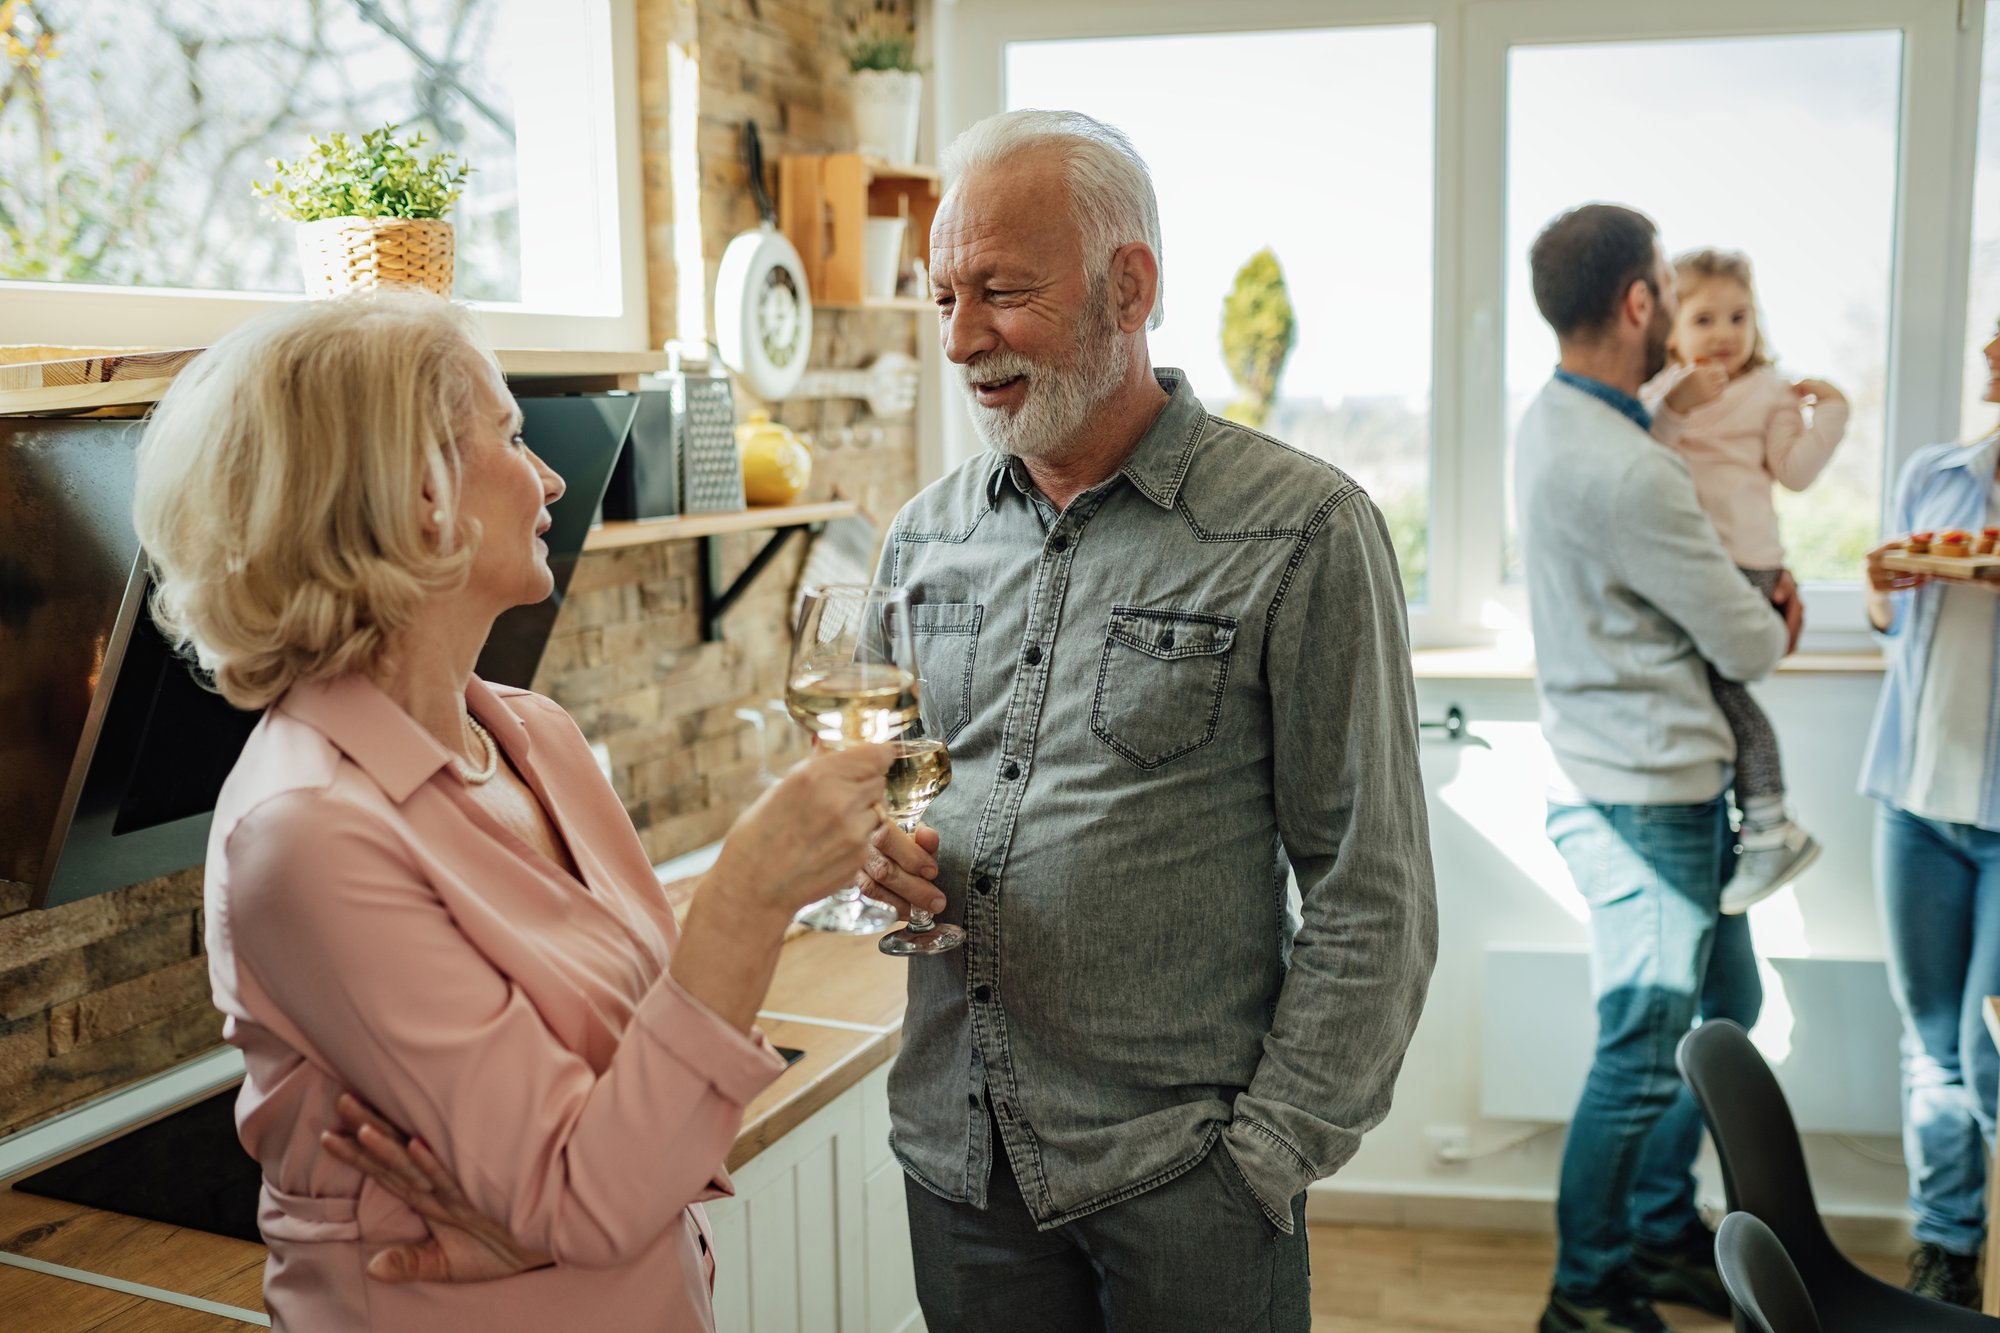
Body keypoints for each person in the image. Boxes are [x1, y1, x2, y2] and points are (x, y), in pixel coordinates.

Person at [130, 290, 942, 1331]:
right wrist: (748, 891)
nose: (552, 475)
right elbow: (600, 1185)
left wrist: (566, 1211)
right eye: (511, 436)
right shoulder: (306, 833)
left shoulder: (532, 735)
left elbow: (630, 1107)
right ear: (423, 492)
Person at [870, 108, 1438, 1332]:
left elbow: (1371, 890)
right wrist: (871, 860)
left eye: (1002, 292)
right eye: (942, 297)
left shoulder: (1300, 529)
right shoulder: (921, 540)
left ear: (1129, 288)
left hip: (1187, 1181)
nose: (964, 339)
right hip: (959, 1165)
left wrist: (1267, 1159)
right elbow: (878, 804)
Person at [1514, 204, 1802, 1333]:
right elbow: (1747, 645)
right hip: (1642, 798)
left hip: (1637, 776)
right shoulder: (1628, 471)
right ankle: (1583, 1292)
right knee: (1642, 1052)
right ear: (1638, 303)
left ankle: (1654, 1230)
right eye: (1667, 300)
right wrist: (1771, 608)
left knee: (1721, 1003)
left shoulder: (1554, 419)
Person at [1859, 320, 2000, 1309]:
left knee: (1984, 1055)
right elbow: (1891, 621)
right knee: (1928, 1041)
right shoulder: (1936, 475)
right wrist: (1875, 587)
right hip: (1912, 803)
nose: (1989, 351)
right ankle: (1946, 1253)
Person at [1639, 246, 1849, 910]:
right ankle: (1754, 822)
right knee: (1700, 694)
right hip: (1687, 564)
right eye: (1705, 319)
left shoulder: (1769, 391)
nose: (1725, 333)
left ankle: (1768, 824)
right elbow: (1640, 463)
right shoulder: (1659, 393)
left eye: (1739, 316)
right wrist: (1675, 406)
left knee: (1721, 689)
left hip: (1747, 564)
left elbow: (1794, 470)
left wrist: (1832, 418)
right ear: (1670, 325)